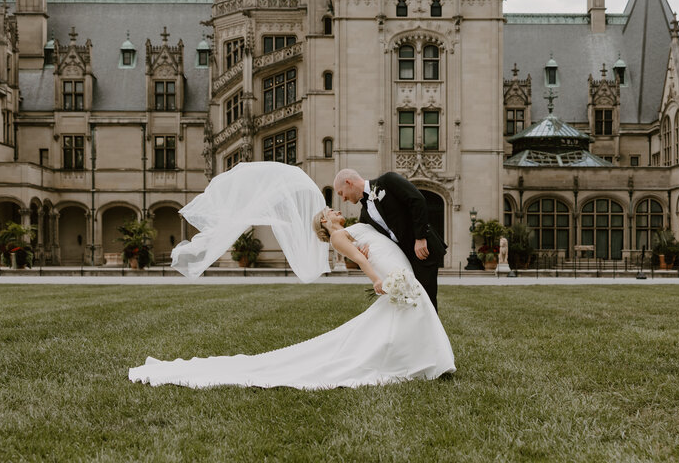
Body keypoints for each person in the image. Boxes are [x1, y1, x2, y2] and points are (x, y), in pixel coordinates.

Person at [128, 162, 455, 389]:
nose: (339, 202)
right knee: (416, 307)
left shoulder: (383, 188)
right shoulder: (352, 223)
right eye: (333, 208)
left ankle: (423, 356)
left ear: (350, 183)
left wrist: (416, 239)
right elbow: (356, 254)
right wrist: (374, 275)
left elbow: (413, 203)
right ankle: (423, 358)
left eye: (340, 195)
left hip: (416, 253)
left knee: (420, 306)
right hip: (394, 269)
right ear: (327, 224)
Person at [333, 168, 445, 309]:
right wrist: (366, 251)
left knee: (426, 299)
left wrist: (420, 238)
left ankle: (432, 331)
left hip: (423, 250)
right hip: (402, 260)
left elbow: (417, 200)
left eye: (341, 193)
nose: (343, 199)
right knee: (412, 301)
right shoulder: (364, 214)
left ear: (349, 182)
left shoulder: (388, 181)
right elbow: (371, 237)